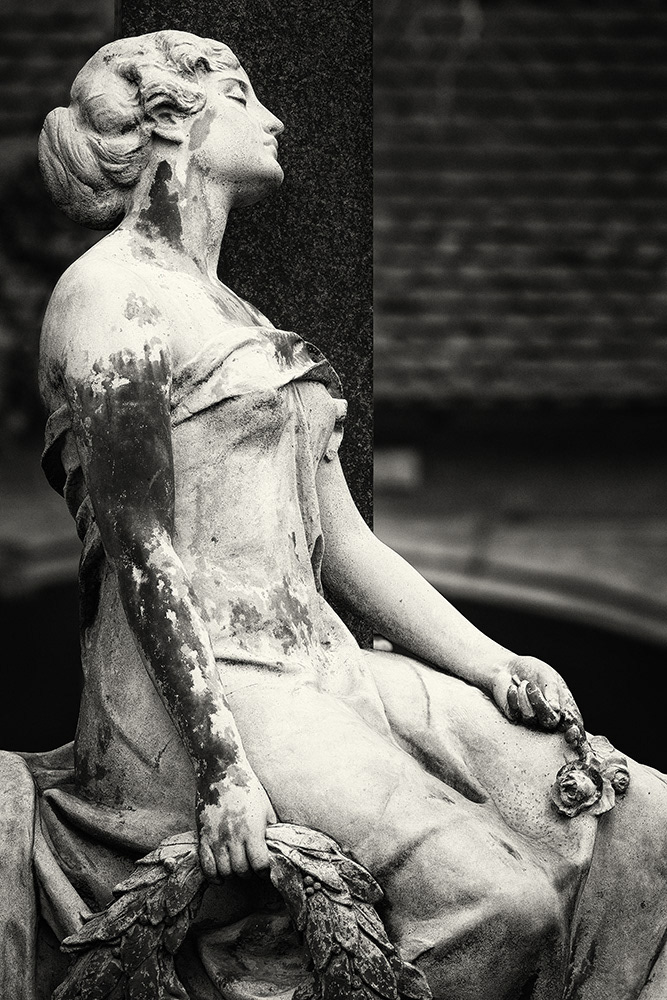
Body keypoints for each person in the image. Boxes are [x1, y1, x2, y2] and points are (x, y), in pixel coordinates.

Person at [4, 29, 663, 1000]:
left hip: (328, 669)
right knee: (499, 904)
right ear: (172, 120)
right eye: (241, 94)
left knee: (642, 818)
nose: (273, 117)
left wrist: (493, 661)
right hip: (207, 691)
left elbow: (346, 547)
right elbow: (141, 546)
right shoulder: (108, 295)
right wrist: (222, 766)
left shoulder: (254, 326)